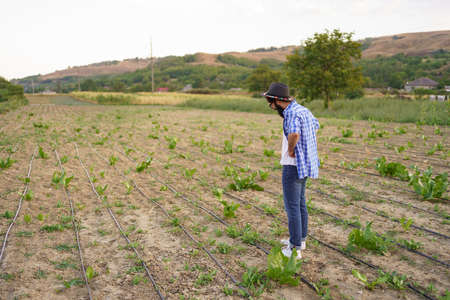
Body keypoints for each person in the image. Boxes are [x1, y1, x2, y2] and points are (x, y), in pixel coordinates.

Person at [263, 82, 320, 259]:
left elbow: (294, 134)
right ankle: (300, 239)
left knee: (292, 206)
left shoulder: (290, 113)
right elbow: (316, 125)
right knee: (301, 203)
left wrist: (291, 149)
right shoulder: (303, 110)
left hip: (293, 165)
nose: (270, 106)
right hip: (306, 164)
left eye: (270, 102)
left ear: (277, 101)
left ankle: (294, 249)